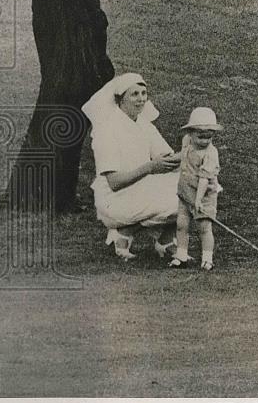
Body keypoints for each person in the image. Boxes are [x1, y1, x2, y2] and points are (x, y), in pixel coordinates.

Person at [82, 73, 181, 261]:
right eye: (134, 94)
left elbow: (165, 157)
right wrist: (150, 167)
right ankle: (124, 230)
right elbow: (114, 182)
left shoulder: (145, 125)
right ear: (120, 99)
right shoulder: (106, 130)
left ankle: (166, 240)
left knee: (200, 185)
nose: (141, 99)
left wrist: (190, 155)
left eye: (144, 93)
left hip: (142, 186)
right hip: (115, 197)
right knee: (181, 199)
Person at [169, 107, 224, 271]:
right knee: (181, 225)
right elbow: (184, 156)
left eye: (209, 137)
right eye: (200, 136)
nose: (205, 141)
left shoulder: (211, 154)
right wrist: (171, 160)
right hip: (185, 193)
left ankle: (207, 259)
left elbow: (204, 179)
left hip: (204, 195)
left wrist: (199, 200)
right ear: (191, 133)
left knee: (204, 228)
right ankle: (181, 256)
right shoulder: (187, 141)